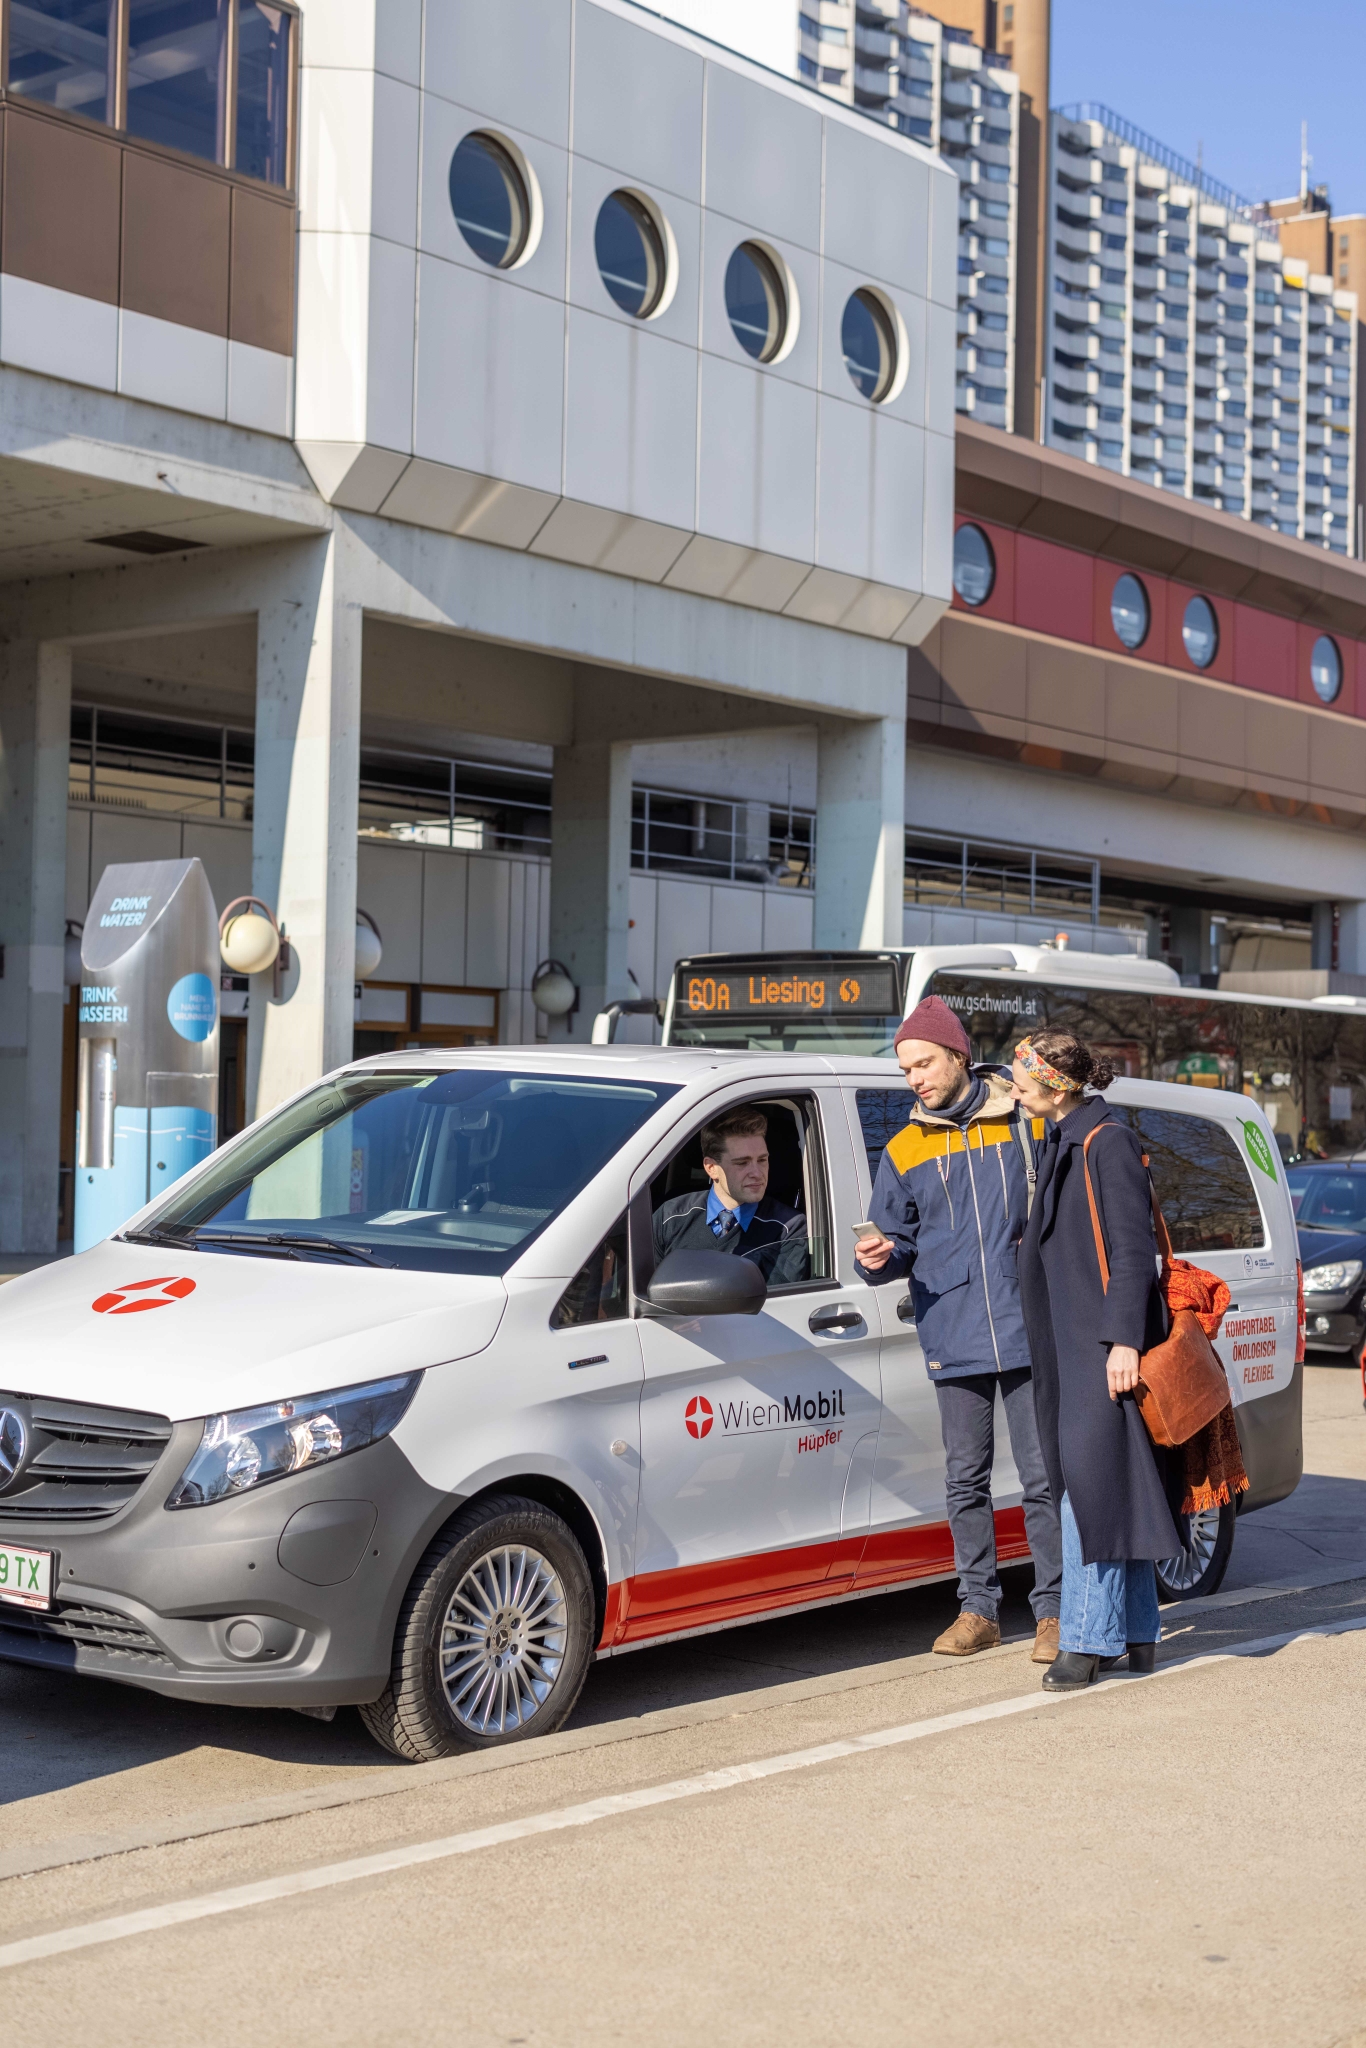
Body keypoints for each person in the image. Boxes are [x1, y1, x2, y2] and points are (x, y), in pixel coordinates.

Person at [856, 996, 1062, 1664]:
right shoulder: (904, 1146)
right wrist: (880, 1258)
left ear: (958, 1056)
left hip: (1030, 1325)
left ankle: (1054, 1612)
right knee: (964, 1480)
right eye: (906, 1068)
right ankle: (978, 1610)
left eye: (923, 1063)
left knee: (1041, 1478)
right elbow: (897, 1242)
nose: (915, 1077)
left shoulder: (1025, 1124)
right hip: (952, 1329)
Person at [1011, 1029, 1182, 1692]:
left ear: (1058, 1084)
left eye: (1025, 1077)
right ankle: (1138, 1631)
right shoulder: (1063, 1136)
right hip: (1074, 1339)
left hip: (1099, 1345)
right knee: (1116, 1485)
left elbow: (1133, 1250)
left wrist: (1124, 1341)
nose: (1016, 1087)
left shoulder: (1106, 1141)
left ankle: (1086, 1640)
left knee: (1090, 1490)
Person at [652, 1107, 809, 1286]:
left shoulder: (789, 1228)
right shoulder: (670, 1217)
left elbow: (780, 1306)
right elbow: (640, 1291)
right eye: (742, 1163)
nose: (757, 1173)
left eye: (762, 1160)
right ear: (711, 1168)